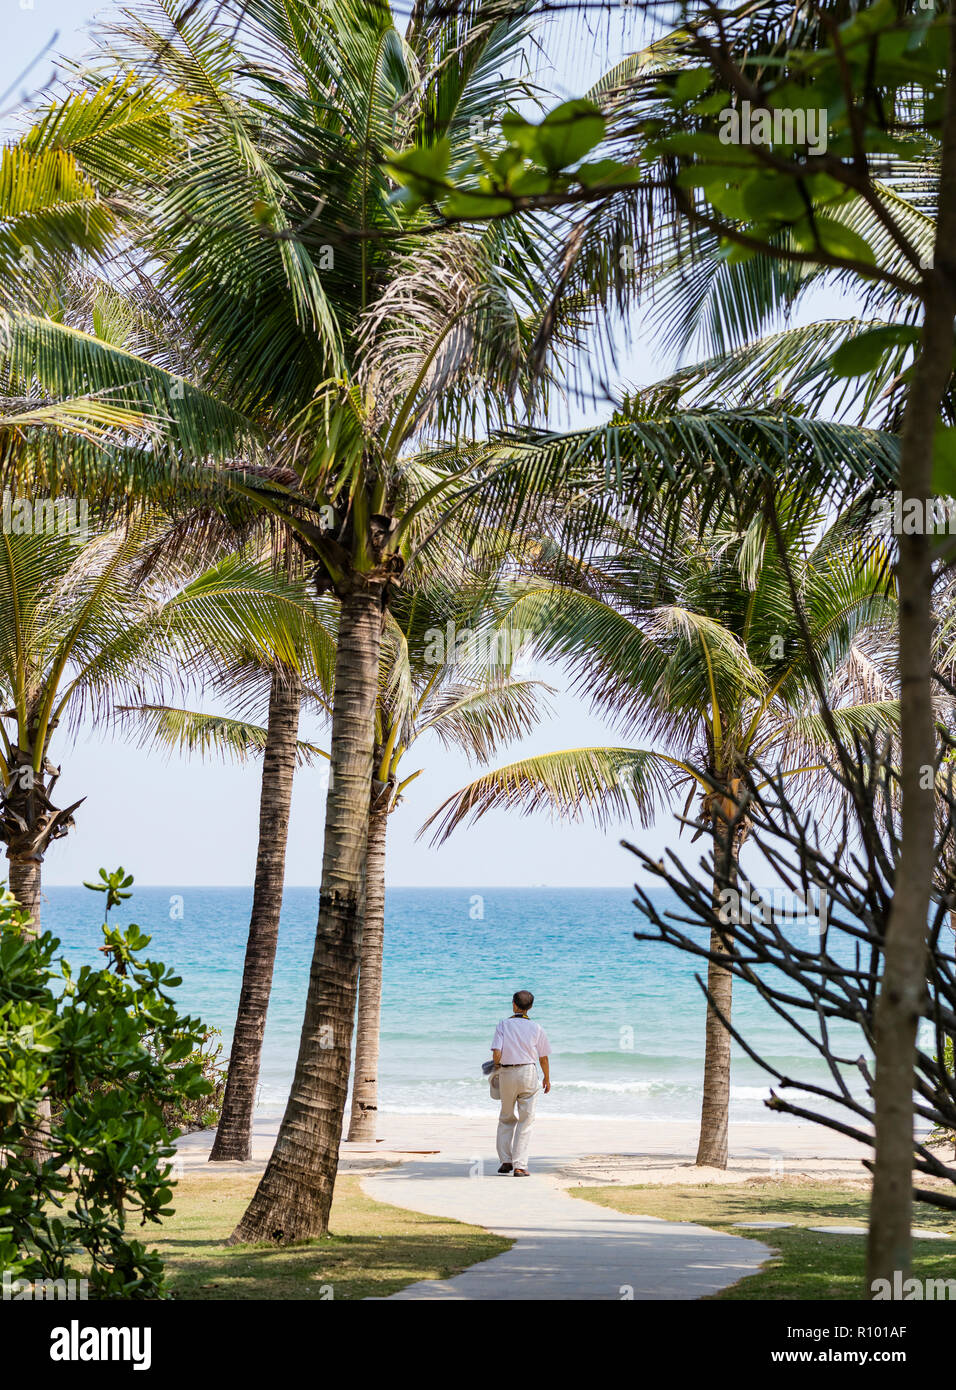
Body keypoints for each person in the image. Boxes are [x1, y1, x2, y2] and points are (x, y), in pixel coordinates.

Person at [491, 989, 550, 1176]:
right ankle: (520, 1165)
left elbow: (496, 1053)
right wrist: (547, 1078)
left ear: (514, 1005)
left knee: (506, 1117)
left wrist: (496, 1067)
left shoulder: (503, 1025)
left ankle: (505, 1161)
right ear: (530, 1007)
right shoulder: (537, 1028)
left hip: (508, 1072)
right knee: (526, 1120)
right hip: (528, 1073)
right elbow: (543, 1058)